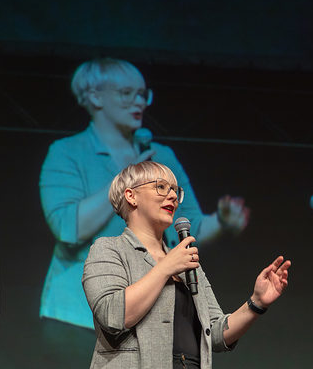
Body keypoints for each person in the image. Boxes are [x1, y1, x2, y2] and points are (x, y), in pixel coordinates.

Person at [81, 161, 291, 369]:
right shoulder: (109, 249)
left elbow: (216, 334)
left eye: (175, 191)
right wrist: (165, 267)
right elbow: (115, 315)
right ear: (131, 196)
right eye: (160, 187)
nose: (172, 197)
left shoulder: (185, 261)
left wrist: (256, 303)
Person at [40, 58, 250, 331]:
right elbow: (69, 229)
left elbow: (189, 227)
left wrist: (222, 223)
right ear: (94, 97)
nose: (139, 102)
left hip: (151, 315)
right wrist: (127, 175)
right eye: (127, 93)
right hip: (78, 315)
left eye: (142, 94)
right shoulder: (67, 152)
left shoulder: (163, 156)